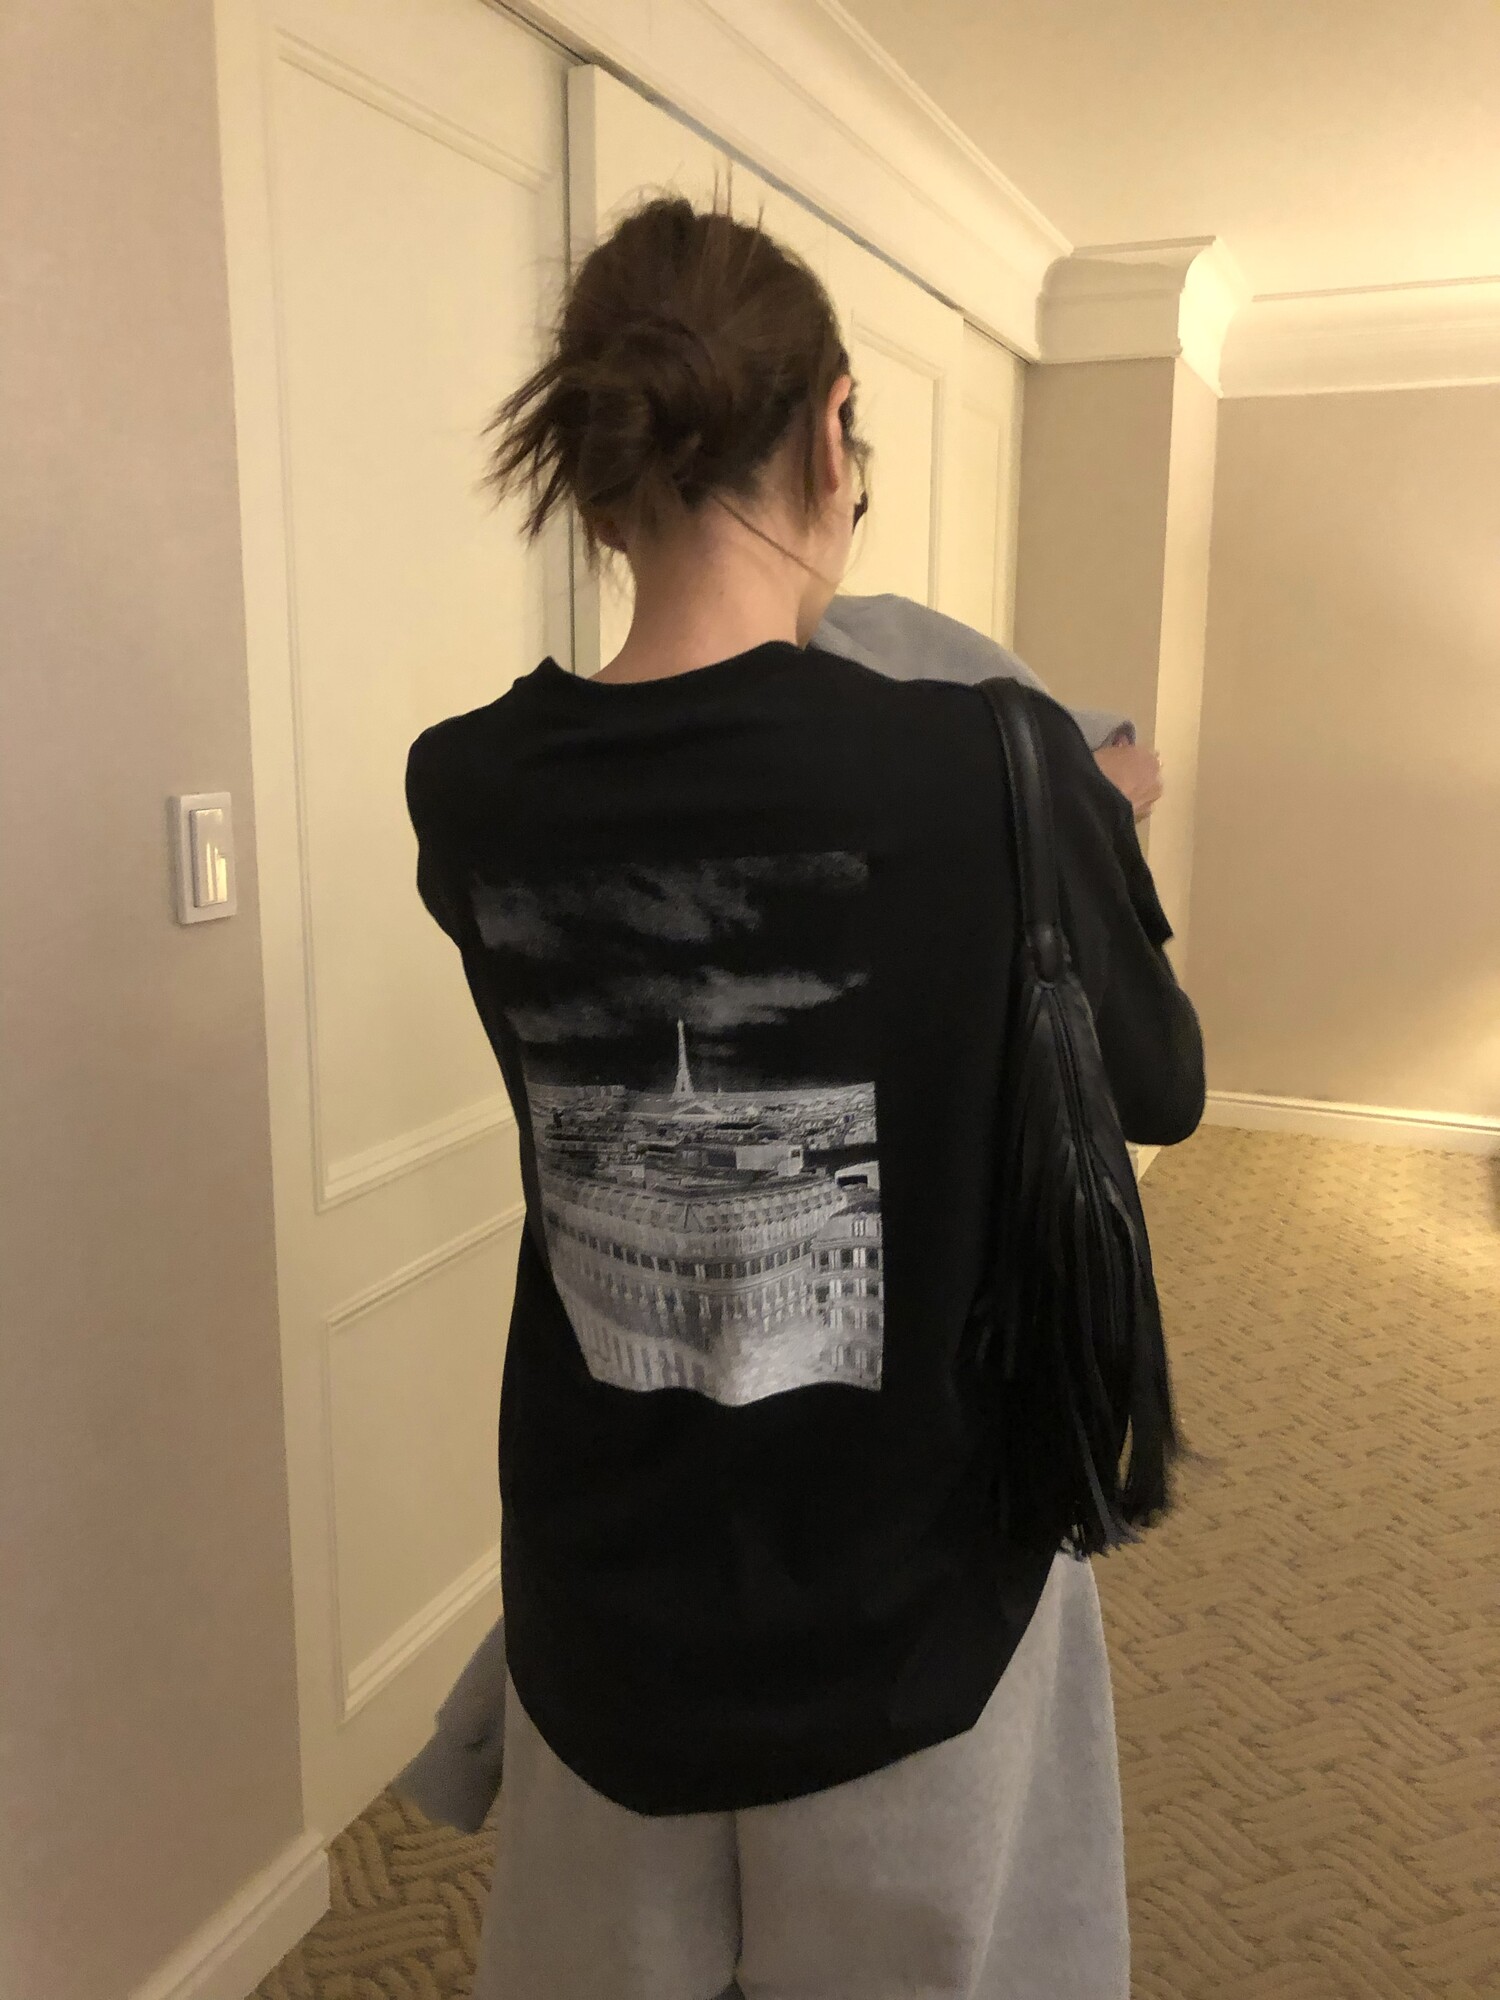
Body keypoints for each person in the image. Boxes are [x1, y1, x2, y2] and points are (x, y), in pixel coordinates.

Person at [404, 194, 1204, 2000]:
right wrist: (1089, 838)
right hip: (908, 1575)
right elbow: (1159, 1086)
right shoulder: (994, 765)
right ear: (835, 430)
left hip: (606, 1566)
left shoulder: (465, 789)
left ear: (598, 475)